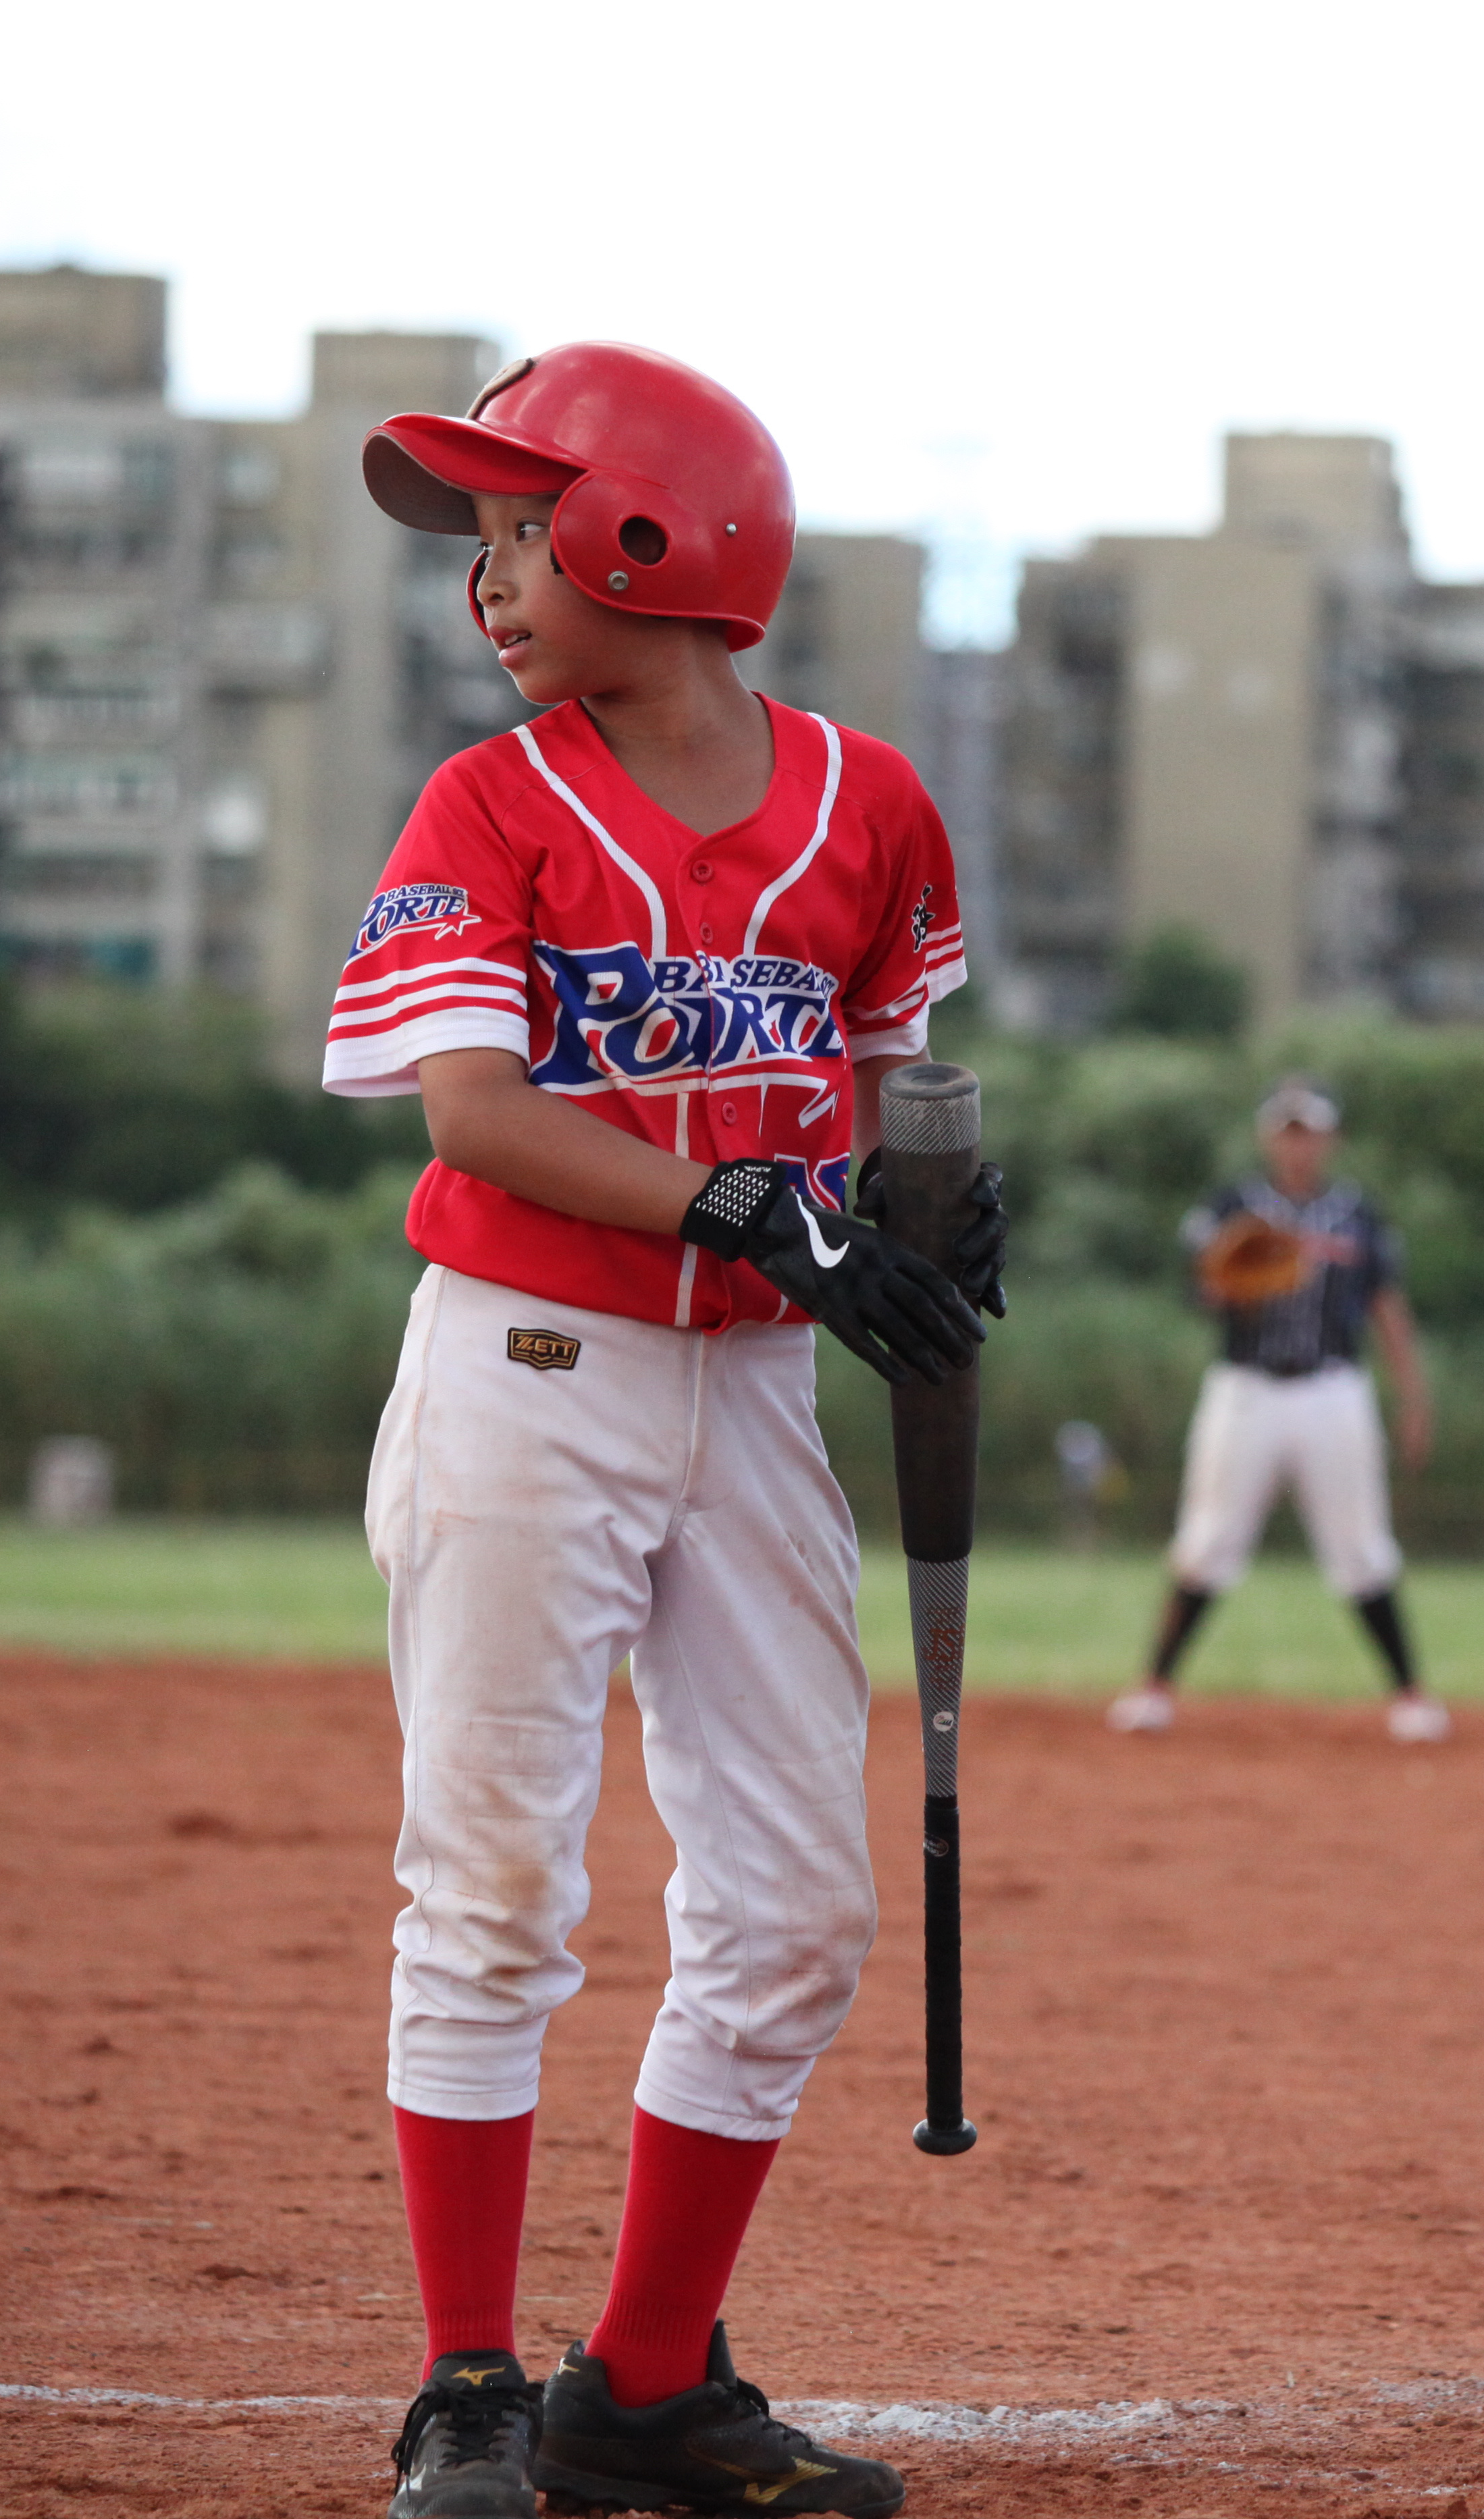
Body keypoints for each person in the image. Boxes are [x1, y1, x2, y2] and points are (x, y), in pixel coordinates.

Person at [324, 342, 1005, 2519]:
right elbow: (472, 1112)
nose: (489, 584)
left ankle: (635, 2390)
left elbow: (884, 1085)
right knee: (494, 1882)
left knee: (796, 1908)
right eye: (486, 544)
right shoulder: (490, 804)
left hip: (758, 1393)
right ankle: (464, 2386)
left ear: (654, 536)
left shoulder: (872, 806)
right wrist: (744, 1204)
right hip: (528, 1366)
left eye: (523, 533)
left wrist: (929, 1209)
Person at [1110, 1079, 1444, 1743]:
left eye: (1309, 1132)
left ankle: (1410, 1696)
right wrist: (1231, 1277)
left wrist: (1413, 1398)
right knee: (1208, 1540)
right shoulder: (1233, 1205)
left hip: (1334, 1389)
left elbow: (1387, 1305)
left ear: (1330, 1140)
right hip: (1247, 1389)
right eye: (1287, 1132)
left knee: (1361, 1545)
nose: (1298, 1145)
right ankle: (1154, 1688)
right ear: (1269, 1138)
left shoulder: (1359, 1214)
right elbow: (1202, 1286)